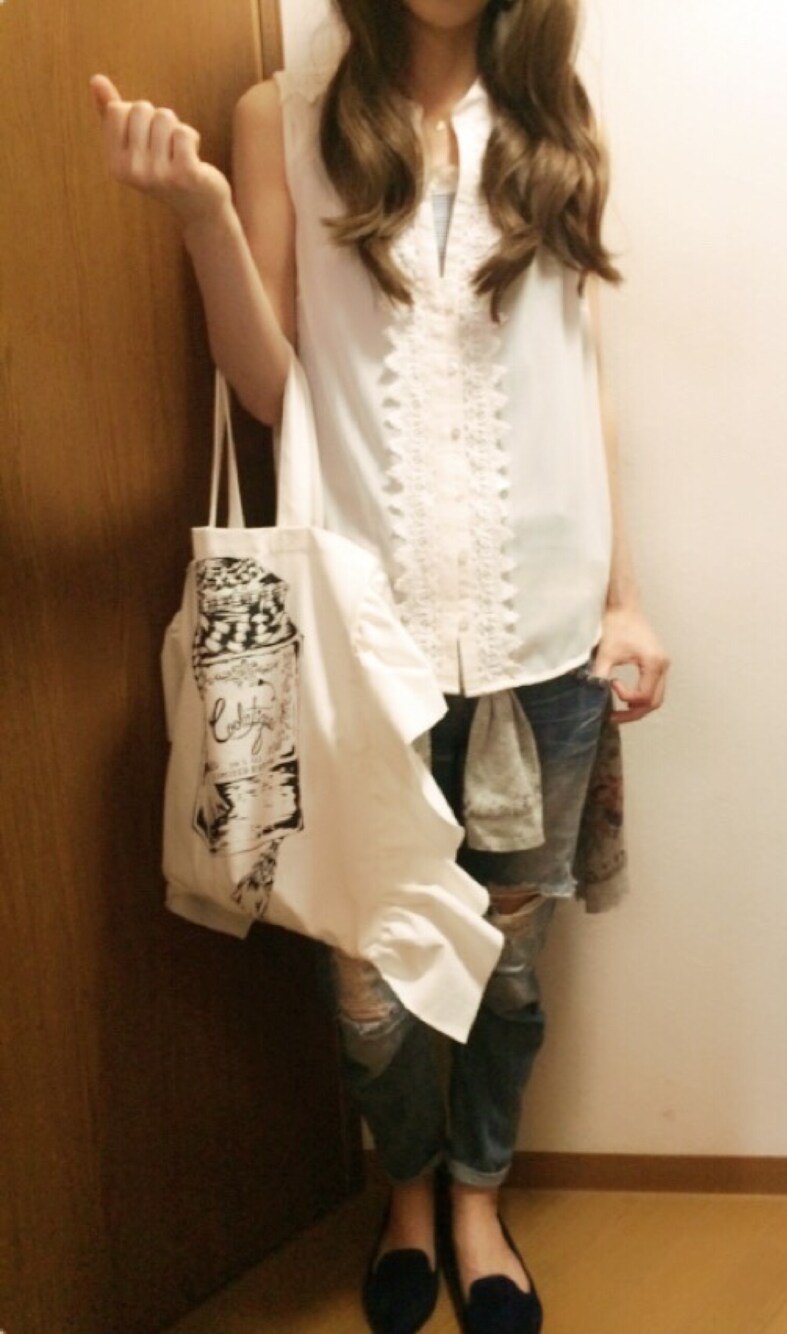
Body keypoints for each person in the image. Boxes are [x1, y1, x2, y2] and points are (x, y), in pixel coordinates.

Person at [92, 1, 669, 1329]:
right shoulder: (282, 120)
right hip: (365, 642)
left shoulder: (555, 113)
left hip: (543, 635)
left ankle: (477, 1197)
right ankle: (405, 1188)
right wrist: (203, 220)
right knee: (369, 976)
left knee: (509, 969)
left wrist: (627, 598)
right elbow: (269, 386)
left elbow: (579, 371)